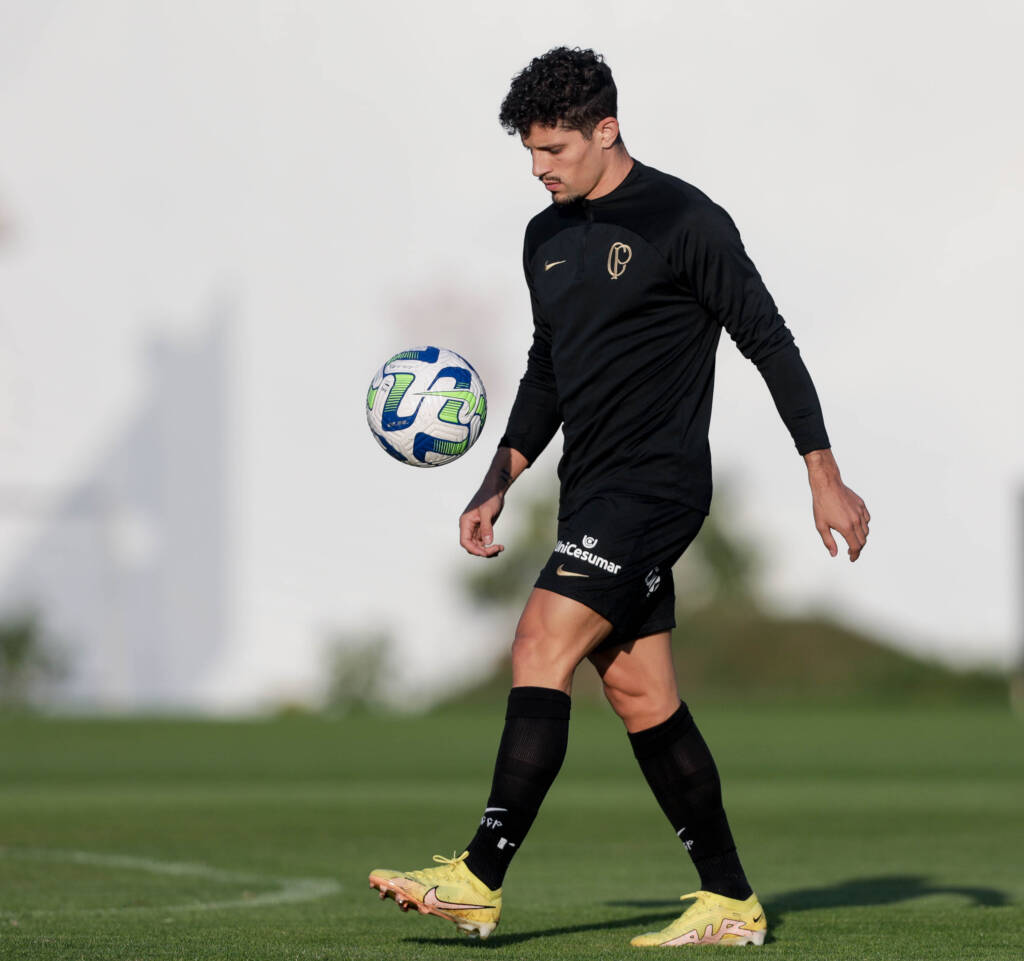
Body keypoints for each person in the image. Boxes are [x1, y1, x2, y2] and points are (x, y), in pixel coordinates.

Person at [369, 46, 869, 947]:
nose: (539, 167)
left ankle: (478, 876)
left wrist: (822, 471)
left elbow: (769, 339)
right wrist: (498, 477)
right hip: (589, 490)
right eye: (530, 151)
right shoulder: (545, 237)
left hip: (657, 487)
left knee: (539, 637)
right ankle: (730, 898)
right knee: (641, 694)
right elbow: (547, 371)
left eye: (554, 149)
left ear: (607, 130)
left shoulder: (686, 220)